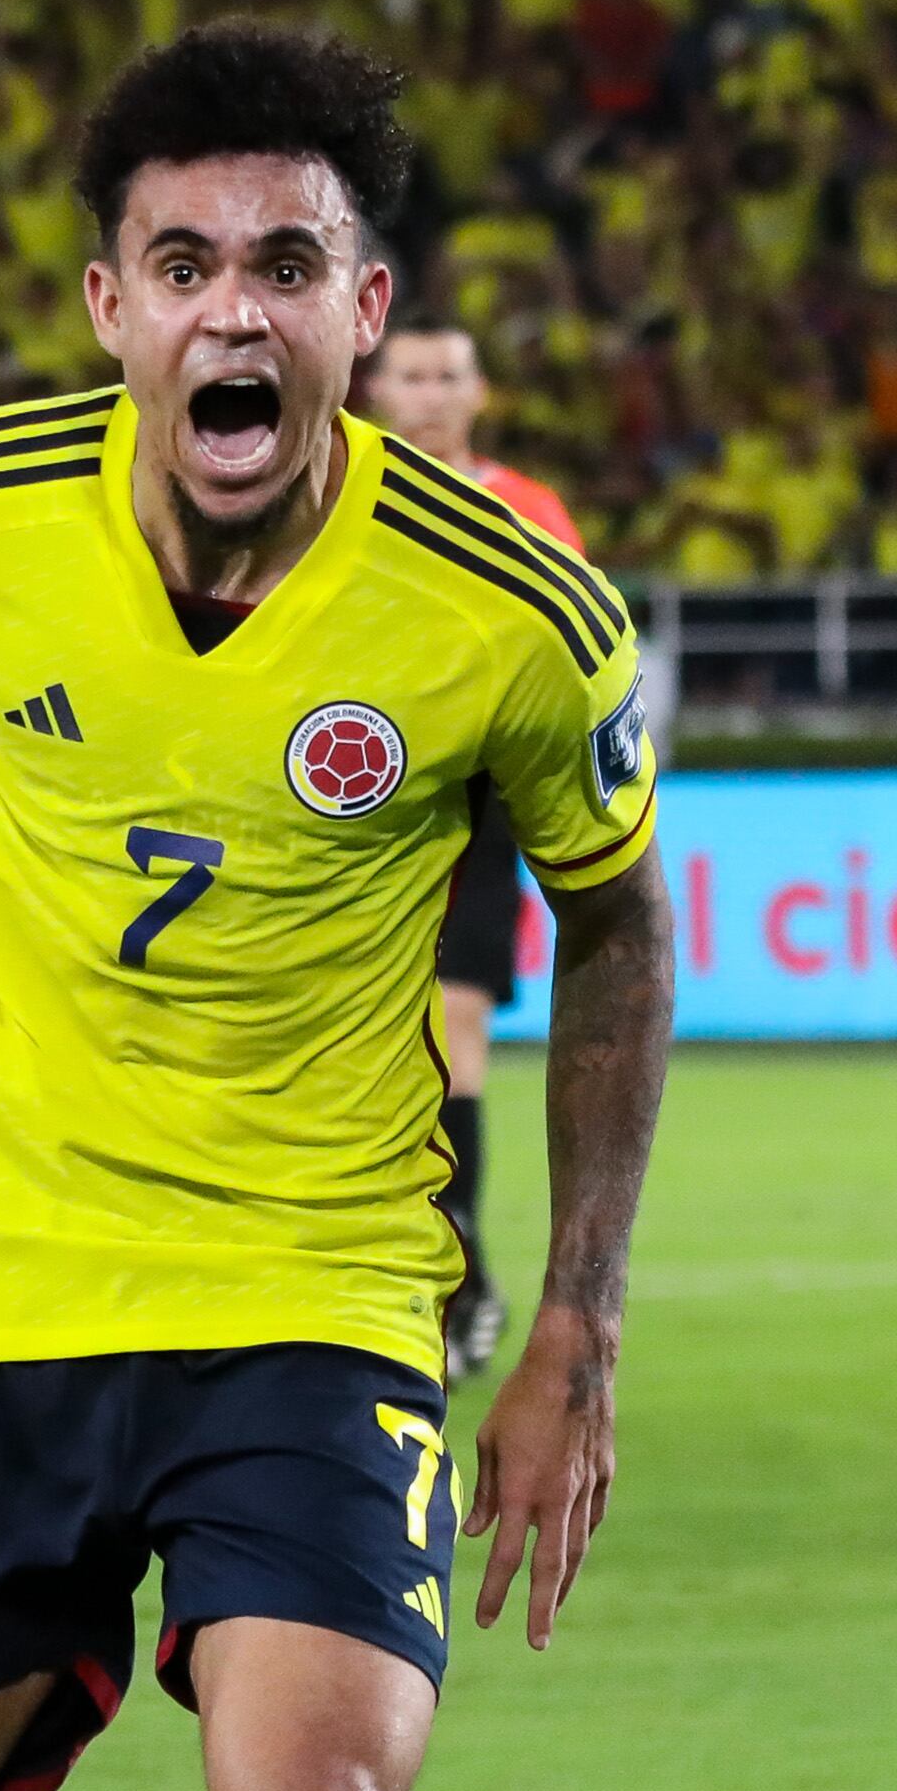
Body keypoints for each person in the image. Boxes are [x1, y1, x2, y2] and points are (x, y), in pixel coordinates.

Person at [0, 23, 674, 1791]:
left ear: (365, 308)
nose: (235, 315)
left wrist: (579, 1322)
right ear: (109, 305)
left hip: (310, 1308)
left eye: (288, 268)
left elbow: (618, 925)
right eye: (186, 268)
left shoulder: (513, 610)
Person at [364, 312, 589, 1381]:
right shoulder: (330, 490)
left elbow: (577, 661)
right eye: (412, 374)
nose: (432, 393)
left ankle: (456, 1269)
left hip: (478, 794)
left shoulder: (530, 511)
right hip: (347, 788)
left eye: (451, 374)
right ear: (375, 385)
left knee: (453, 1032)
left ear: (480, 392)